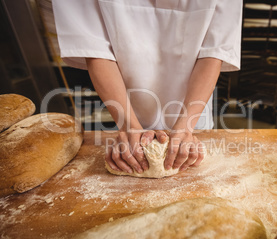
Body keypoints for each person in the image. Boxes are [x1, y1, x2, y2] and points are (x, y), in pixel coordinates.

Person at [52, 0, 242, 174]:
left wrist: (186, 126)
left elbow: (213, 52)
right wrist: (128, 126)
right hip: (124, 106)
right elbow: (94, 49)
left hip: (194, 114)